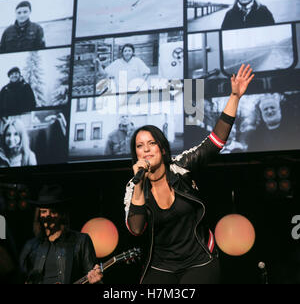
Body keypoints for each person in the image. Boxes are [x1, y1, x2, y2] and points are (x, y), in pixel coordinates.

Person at [124, 64, 254, 284]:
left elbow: (215, 143)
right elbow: (136, 229)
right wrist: (139, 184)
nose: (146, 149)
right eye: (140, 146)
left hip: (199, 260)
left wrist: (234, 96)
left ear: (162, 149)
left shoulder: (180, 167)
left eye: (151, 143)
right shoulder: (133, 186)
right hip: (160, 267)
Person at [19, 184, 103, 284]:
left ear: (62, 214)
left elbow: (93, 277)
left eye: (53, 212)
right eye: (44, 211)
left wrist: (96, 280)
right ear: (39, 215)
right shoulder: (31, 245)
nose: (47, 216)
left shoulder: (80, 241)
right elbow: (20, 276)